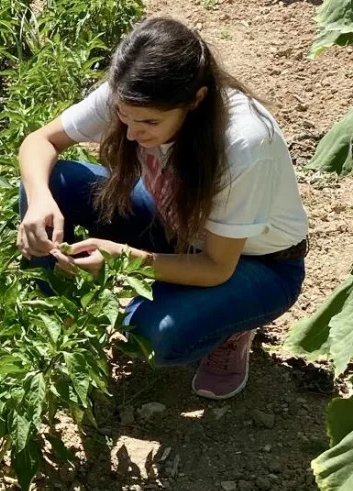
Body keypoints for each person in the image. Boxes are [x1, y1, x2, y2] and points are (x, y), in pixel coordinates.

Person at [16, 17, 308, 401]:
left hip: (256, 264)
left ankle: (231, 329)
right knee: (57, 182)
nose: (133, 133)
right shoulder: (132, 95)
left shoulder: (243, 143)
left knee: (157, 333)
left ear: (195, 101)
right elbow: (40, 141)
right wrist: (39, 198)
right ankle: (48, 321)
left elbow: (216, 266)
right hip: (176, 227)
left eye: (150, 123)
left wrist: (125, 258)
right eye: (124, 116)